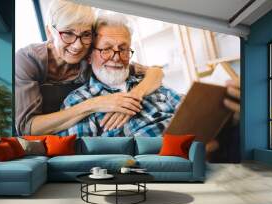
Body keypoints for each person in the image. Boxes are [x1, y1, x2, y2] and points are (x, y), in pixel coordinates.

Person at [15, 0, 165, 136]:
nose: (78, 45)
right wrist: (96, 104)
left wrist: (134, 97)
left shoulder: (91, 57)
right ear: (50, 32)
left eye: (85, 34)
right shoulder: (28, 60)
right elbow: (27, 128)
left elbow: (155, 72)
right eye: (68, 33)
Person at [57, 13, 181, 137]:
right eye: (106, 49)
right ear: (89, 56)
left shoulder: (149, 83)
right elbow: (85, 154)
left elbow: (192, 112)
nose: (116, 58)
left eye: (123, 49)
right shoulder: (78, 100)